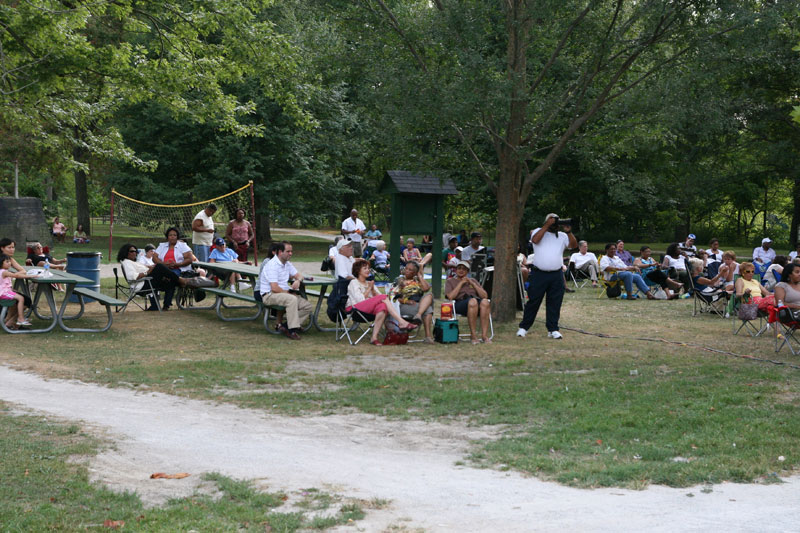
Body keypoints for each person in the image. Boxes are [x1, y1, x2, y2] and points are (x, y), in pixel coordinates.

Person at [517, 214, 577, 339]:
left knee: (555, 302)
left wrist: (569, 231)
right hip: (539, 273)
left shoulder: (562, 236)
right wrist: (547, 225)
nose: (555, 223)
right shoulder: (538, 231)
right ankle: (524, 327)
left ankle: (553, 329)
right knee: (534, 301)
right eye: (553, 220)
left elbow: (573, 245)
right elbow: (535, 240)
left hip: (556, 274)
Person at [348, 259, 416, 346]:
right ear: (358, 270)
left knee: (383, 306)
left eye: (368, 268)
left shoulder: (370, 283)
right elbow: (359, 300)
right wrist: (369, 288)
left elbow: (381, 298)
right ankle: (401, 322)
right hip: (355, 309)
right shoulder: (353, 283)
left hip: (369, 310)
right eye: (365, 268)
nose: (368, 270)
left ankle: (374, 338)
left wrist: (373, 290)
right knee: (383, 297)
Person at [258, 241, 312, 340]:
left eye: (291, 251)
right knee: (292, 299)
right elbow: (274, 288)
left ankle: (285, 326)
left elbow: (299, 275)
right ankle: (292, 330)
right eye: (288, 251)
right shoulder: (272, 265)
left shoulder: (287, 264)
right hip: (269, 295)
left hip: (282, 294)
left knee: (307, 306)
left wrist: (298, 280)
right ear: (280, 252)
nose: (290, 254)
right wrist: (289, 293)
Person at [118, 243, 188, 311]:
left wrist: (151, 268)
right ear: (125, 252)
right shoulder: (126, 262)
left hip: (147, 281)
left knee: (170, 281)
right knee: (160, 266)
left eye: (136, 251)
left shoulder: (132, 262)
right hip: (141, 285)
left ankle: (165, 306)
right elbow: (133, 277)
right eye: (132, 251)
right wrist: (148, 271)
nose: (134, 253)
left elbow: (144, 267)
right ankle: (181, 280)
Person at [447, 260, 492, 344]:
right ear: (456, 270)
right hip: (460, 303)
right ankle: (473, 335)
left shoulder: (473, 280)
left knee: (485, 302)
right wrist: (461, 283)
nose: (461, 270)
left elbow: (485, 296)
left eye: (464, 269)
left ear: (467, 271)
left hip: (475, 301)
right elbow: (450, 297)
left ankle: (484, 336)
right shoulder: (450, 281)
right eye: (459, 268)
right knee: (473, 301)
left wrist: (473, 284)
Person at [393, 261, 435, 343]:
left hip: (420, 303)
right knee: (428, 309)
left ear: (415, 272)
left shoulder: (418, 281)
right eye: (406, 269)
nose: (407, 271)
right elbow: (394, 297)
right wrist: (406, 301)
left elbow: (426, 288)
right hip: (406, 305)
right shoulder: (399, 281)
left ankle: (419, 315)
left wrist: (419, 276)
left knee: (429, 295)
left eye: (410, 270)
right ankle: (428, 337)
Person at [0, 253, 38, 327]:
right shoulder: (4, 272)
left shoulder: (3, 271)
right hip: (3, 293)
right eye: (7, 262)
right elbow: (16, 275)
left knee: (18, 297)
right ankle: (21, 318)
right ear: (1, 263)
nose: (9, 263)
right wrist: (32, 276)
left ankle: (12, 320)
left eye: (9, 261)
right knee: (21, 298)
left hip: (6, 291)